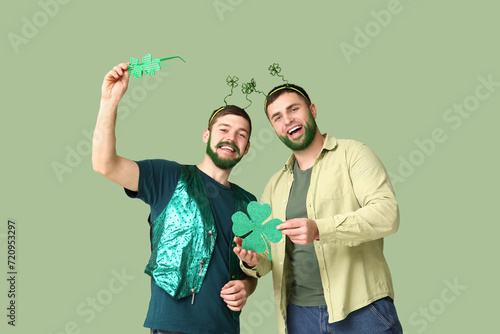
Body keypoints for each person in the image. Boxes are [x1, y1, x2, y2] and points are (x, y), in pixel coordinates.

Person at [92, 62, 258, 334]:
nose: (231, 138)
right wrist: (109, 101)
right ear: (207, 135)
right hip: (172, 328)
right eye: (224, 129)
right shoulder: (168, 176)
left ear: (247, 148)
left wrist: (247, 287)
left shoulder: (249, 202)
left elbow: (251, 267)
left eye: (241, 135)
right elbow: (104, 163)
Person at [234, 83, 403, 334]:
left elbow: (387, 215)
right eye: (277, 117)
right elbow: (270, 255)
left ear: (312, 110)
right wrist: (254, 261)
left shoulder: (354, 154)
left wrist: (320, 229)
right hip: (300, 316)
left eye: (294, 109)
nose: (287, 120)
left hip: (362, 309)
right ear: (274, 128)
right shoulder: (275, 185)